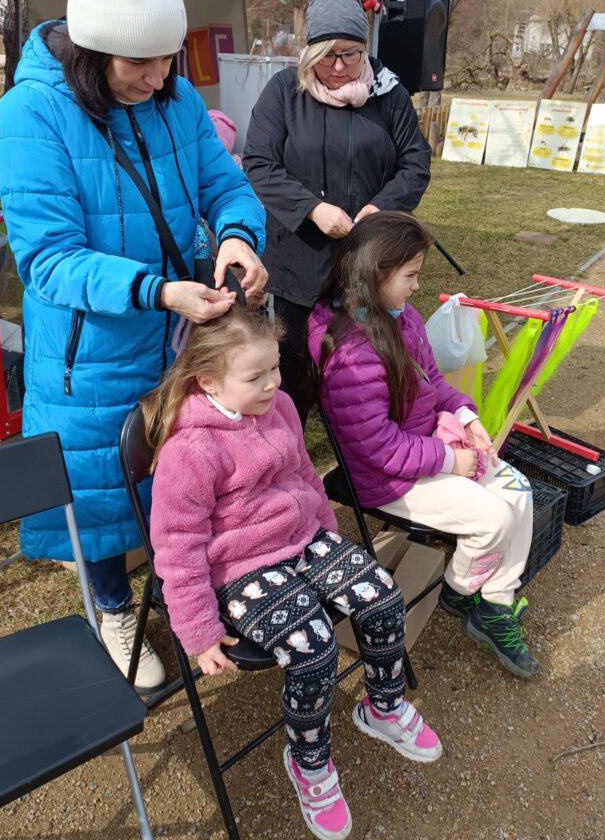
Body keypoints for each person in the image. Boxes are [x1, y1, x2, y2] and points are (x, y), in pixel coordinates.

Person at [0, 0, 267, 692]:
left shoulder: (173, 99)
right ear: (91, 50)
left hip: (179, 336)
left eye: (167, 58)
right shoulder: (32, 113)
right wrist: (158, 289)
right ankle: (112, 608)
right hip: (90, 350)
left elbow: (225, 185)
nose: (158, 76)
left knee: (190, 473)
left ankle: (189, 590)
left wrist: (238, 236)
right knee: (102, 491)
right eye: (139, 62)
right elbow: (48, 260)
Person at [144, 308, 442, 840]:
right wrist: (199, 631)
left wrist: (327, 534)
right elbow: (177, 547)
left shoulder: (279, 406)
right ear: (208, 381)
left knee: (382, 596)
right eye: (255, 376)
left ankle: (383, 706)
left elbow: (304, 472)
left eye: (275, 368)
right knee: (315, 646)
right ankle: (309, 760)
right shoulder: (190, 450)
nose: (272, 384)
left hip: (303, 539)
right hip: (240, 566)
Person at [307, 212, 540, 680]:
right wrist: (452, 459)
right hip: (385, 478)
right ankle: (459, 589)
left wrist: (467, 417)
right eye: (410, 275)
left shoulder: (402, 317)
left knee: (520, 491)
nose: (417, 286)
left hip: (425, 449)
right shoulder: (349, 352)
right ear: (376, 273)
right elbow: (377, 448)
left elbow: (433, 382)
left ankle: (494, 604)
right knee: (494, 519)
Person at [243, 0, 431, 423]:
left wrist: (380, 209)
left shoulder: (389, 94)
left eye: (350, 54)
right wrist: (312, 209)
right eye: (328, 55)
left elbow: (415, 163)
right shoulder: (284, 92)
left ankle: (364, 433)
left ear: (365, 48)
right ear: (310, 52)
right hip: (300, 259)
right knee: (294, 363)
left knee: (362, 361)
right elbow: (260, 163)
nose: (340, 67)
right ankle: (289, 433)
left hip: (368, 258)